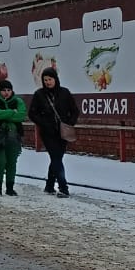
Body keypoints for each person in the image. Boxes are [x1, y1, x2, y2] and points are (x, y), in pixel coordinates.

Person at [28, 66, 79, 197]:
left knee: (57, 158)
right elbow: (32, 113)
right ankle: (63, 187)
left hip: (62, 132)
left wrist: (69, 123)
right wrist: (44, 123)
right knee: (56, 158)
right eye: (45, 80)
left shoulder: (64, 93)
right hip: (48, 133)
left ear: (55, 79)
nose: (48, 82)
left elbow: (75, 111)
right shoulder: (39, 94)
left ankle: (49, 185)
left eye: (50, 79)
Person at [0, 79, 26, 197]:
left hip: (14, 135)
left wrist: (6, 115)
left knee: (12, 162)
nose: (6, 92)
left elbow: (21, 115)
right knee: (0, 161)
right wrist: (12, 112)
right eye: (4, 90)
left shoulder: (18, 101)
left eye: (9, 90)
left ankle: (10, 188)